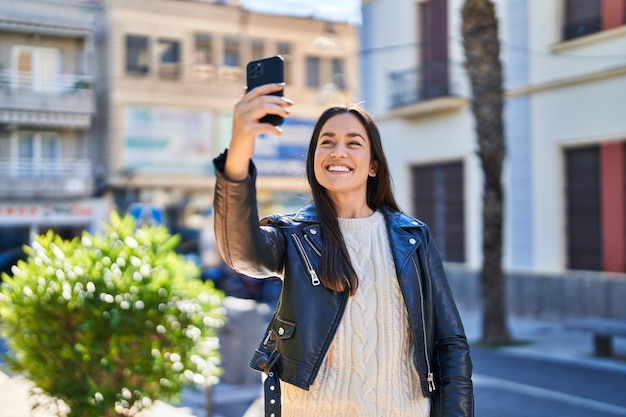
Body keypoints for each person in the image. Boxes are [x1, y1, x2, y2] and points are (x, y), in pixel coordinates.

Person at [212, 83, 474, 417]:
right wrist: (240, 146)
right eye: (327, 142)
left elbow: (449, 343)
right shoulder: (294, 235)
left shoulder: (412, 237)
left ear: (373, 165)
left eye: (353, 143)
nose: (338, 151)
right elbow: (242, 253)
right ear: (315, 160)